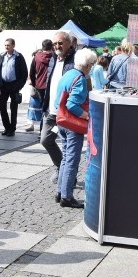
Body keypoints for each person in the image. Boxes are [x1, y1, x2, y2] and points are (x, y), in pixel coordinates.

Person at [53, 48, 97, 208]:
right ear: (86, 65)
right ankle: (66, 196)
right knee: (72, 159)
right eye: (91, 64)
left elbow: (60, 100)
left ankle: (60, 192)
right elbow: (72, 104)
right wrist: (86, 115)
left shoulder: (68, 74)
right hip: (72, 124)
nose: (91, 67)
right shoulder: (79, 78)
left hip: (62, 121)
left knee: (65, 157)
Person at [41, 31, 75, 183]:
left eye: (60, 43)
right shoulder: (53, 59)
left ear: (68, 43)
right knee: (45, 140)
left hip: (66, 111)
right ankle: (61, 167)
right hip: (51, 110)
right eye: (55, 43)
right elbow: (49, 82)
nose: (57, 46)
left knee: (68, 147)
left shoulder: (75, 60)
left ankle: (68, 177)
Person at [0, 38, 28, 136]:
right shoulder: (1, 56)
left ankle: (12, 129)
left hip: (14, 85)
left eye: (8, 45)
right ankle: (6, 127)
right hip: (3, 85)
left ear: (13, 46)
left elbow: (24, 73)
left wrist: (19, 86)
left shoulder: (18, 57)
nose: (6, 47)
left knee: (13, 108)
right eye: (5, 45)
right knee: (2, 107)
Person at [26, 39, 53, 132]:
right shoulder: (54, 57)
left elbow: (32, 72)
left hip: (40, 85)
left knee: (42, 109)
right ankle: (48, 130)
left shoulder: (37, 57)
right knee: (51, 109)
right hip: (51, 85)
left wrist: (34, 84)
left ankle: (42, 131)